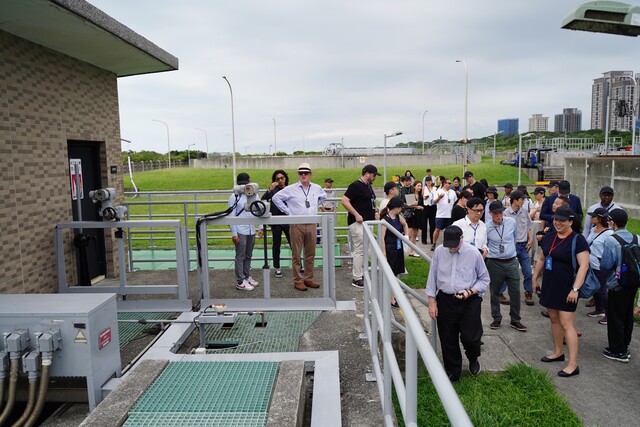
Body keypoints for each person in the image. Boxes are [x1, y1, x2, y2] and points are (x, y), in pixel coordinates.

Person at [425, 225, 490, 382]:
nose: (452, 248)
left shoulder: (473, 253)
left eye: (454, 245)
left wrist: (469, 292)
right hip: (446, 298)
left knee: (471, 337)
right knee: (448, 338)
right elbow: (432, 276)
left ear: (461, 239)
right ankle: (453, 371)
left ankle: (473, 357)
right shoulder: (440, 251)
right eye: (449, 245)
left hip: (469, 299)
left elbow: (484, 279)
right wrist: (432, 301)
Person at [532, 206, 589, 377]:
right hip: (550, 284)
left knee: (566, 324)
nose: (557, 223)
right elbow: (542, 257)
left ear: (570, 222)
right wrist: (534, 278)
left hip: (568, 288)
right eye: (556, 219)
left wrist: (575, 289)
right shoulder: (550, 235)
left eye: (561, 221)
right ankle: (558, 352)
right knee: (554, 319)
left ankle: (573, 364)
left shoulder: (578, 240)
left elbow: (584, 266)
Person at [272, 163, 327, 291]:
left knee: (310, 253)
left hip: (312, 223)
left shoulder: (316, 188)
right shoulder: (291, 189)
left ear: (310, 174)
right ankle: (297, 280)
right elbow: (276, 198)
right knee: (296, 254)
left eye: (306, 173)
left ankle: (308, 278)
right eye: (301, 173)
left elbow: (323, 196)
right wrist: (288, 211)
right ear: (298, 174)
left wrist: (314, 206)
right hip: (296, 224)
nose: (303, 175)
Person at [600, 209, 640, 363]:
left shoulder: (611, 240)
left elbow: (605, 264)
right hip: (634, 282)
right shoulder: (637, 238)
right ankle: (625, 345)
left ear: (612, 222)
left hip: (617, 283)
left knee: (615, 316)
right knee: (627, 315)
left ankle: (617, 351)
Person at [486, 201, 527, 332]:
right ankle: (496, 318)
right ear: (490, 213)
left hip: (511, 261)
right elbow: (485, 245)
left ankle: (515, 319)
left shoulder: (511, 222)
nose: (499, 216)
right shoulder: (486, 227)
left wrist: (511, 252)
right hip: (495, 262)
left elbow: (514, 239)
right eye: (496, 213)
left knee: (515, 292)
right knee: (495, 292)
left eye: (500, 213)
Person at [341, 164, 381, 289]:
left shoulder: (368, 187)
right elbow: (344, 200)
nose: (375, 178)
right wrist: (356, 214)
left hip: (367, 222)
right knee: (360, 248)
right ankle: (356, 277)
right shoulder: (355, 185)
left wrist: (375, 211)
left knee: (364, 249)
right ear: (367, 173)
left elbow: (371, 202)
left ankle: (360, 273)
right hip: (357, 222)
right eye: (374, 175)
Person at [229, 172, 264, 291]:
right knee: (240, 256)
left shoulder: (253, 194)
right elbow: (231, 215)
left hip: (250, 230)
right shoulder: (234, 196)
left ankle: (247, 276)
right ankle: (240, 280)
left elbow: (260, 210)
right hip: (240, 230)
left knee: (248, 255)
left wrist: (261, 227)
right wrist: (234, 233)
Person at [503, 190, 534, 306]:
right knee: (509, 271)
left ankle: (528, 292)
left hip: (524, 245)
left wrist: (530, 239)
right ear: (515, 200)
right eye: (521, 199)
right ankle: (500, 292)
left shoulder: (525, 212)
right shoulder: (506, 213)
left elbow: (528, 226)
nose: (523, 201)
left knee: (527, 271)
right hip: (512, 245)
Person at [585, 207, 614, 324]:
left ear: (600, 218)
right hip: (590, 263)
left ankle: (609, 314)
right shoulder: (593, 229)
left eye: (593, 216)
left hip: (600, 265)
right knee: (596, 288)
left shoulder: (609, 234)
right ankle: (599, 309)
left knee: (602, 289)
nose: (591, 218)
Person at [261, 169, 291, 278]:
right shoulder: (273, 190)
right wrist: (270, 189)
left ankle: (299, 265)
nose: (280, 180)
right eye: (277, 179)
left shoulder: (290, 189)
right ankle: (277, 267)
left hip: (289, 220)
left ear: (286, 178)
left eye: (282, 178)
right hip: (276, 221)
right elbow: (263, 200)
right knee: (276, 244)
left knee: (294, 244)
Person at [381, 196, 409, 307]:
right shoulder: (384, 220)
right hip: (390, 248)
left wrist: (406, 236)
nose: (401, 209)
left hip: (398, 247)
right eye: (400, 207)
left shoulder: (398, 217)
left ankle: (394, 296)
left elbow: (405, 224)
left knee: (396, 272)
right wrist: (384, 253)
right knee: (391, 273)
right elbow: (382, 238)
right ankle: (391, 298)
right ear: (396, 207)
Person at [431, 178, 457, 250]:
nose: (450, 185)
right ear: (444, 184)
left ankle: (447, 243)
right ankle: (434, 243)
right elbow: (434, 202)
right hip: (440, 214)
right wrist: (439, 198)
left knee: (448, 230)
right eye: (448, 183)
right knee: (437, 229)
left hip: (449, 214)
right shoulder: (439, 191)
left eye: (450, 183)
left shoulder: (452, 192)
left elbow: (455, 202)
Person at [405, 180, 425, 257]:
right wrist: (416, 206)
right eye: (418, 186)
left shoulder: (421, 196)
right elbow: (407, 205)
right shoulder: (411, 195)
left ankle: (412, 251)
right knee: (409, 233)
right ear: (414, 187)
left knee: (415, 234)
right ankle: (403, 248)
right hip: (412, 215)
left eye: (420, 186)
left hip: (419, 216)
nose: (419, 187)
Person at [422, 176, 438, 245]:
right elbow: (423, 197)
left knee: (432, 224)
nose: (428, 182)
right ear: (425, 182)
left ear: (431, 181)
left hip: (433, 207)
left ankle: (432, 239)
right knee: (424, 224)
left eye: (429, 181)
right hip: (426, 206)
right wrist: (425, 197)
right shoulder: (424, 188)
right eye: (427, 181)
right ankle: (424, 239)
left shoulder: (435, 188)